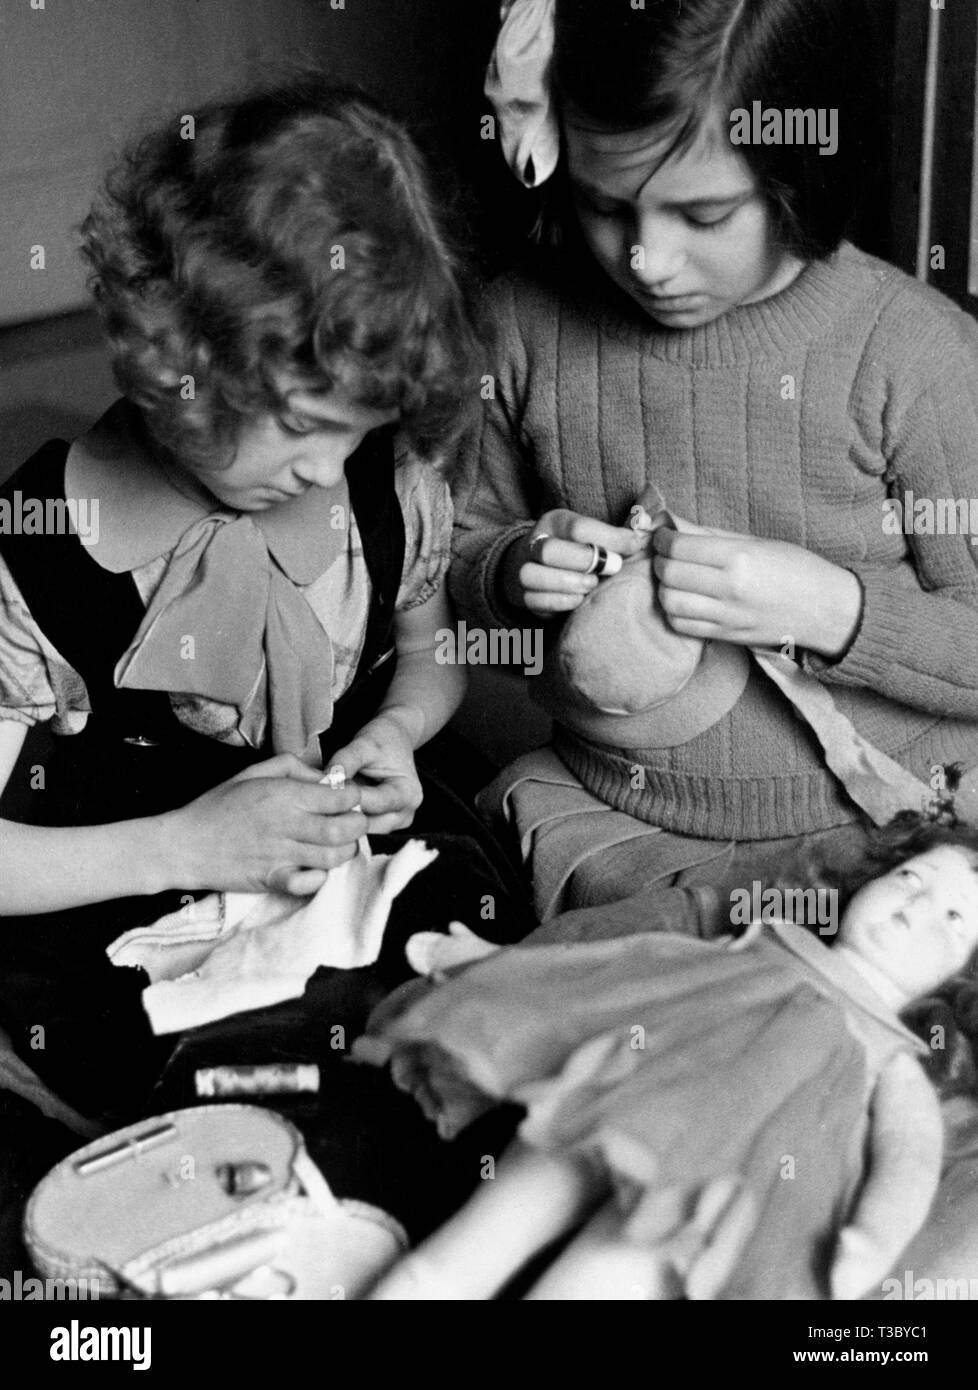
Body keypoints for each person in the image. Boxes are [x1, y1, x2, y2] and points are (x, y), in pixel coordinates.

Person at [0, 75, 528, 1127]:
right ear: (179, 361)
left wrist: (400, 729)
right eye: (298, 427)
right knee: (256, 1089)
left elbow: (430, 648)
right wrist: (188, 845)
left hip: (335, 855)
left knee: (479, 976)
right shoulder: (37, 561)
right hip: (135, 888)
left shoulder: (379, 477)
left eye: (356, 427)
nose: (330, 469)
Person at [450, 0, 978, 917]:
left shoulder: (912, 356)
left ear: (798, 176)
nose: (647, 259)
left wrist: (833, 610)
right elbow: (447, 559)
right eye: (605, 206)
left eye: (703, 213)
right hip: (614, 820)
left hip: (886, 833)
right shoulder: (518, 328)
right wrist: (512, 568)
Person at [359, 813, 978, 1301]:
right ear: (868, 879)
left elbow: (910, 1159)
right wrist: (495, 962)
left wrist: (867, 1247)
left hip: (715, 1197)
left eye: (954, 917)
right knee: (459, 1257)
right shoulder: (763, 938)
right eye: (909, 877)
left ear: (960, 973)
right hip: (605, 1106)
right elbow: (626, 971)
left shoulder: (894, 1057)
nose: (917, 905)